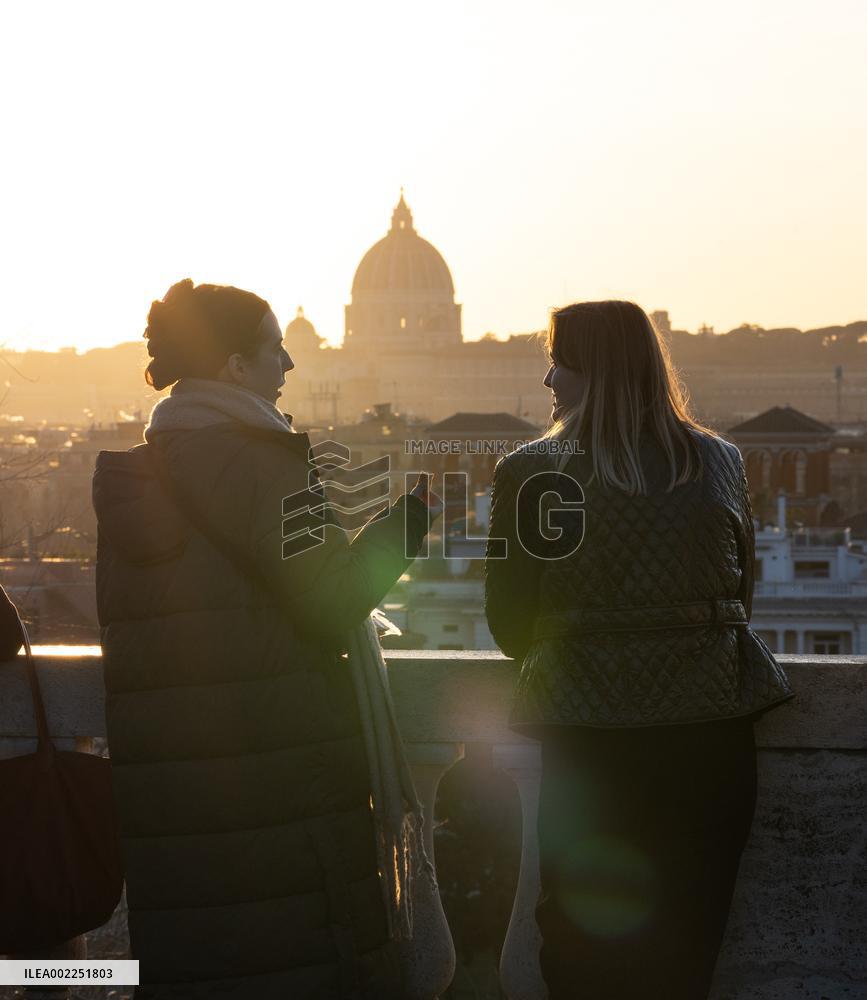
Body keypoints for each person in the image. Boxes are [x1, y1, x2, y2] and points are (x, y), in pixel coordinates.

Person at [92, 279, 442, 1000]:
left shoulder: (141, 469)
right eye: (274, 348)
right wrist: (406, 522)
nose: (288, 364)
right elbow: (333, 599)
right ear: (232, 366)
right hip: (277, 775)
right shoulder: (262, 461)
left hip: (179, 779)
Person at [483, 300, 793, 1000]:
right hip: (709, 732)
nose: (548, 381)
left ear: (595, 369)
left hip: (590, 739)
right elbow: (742, 592)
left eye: (558, 361)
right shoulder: (720, 460)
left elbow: (507, 623)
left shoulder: (530, 471)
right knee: (688, 940)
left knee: (582, 945)